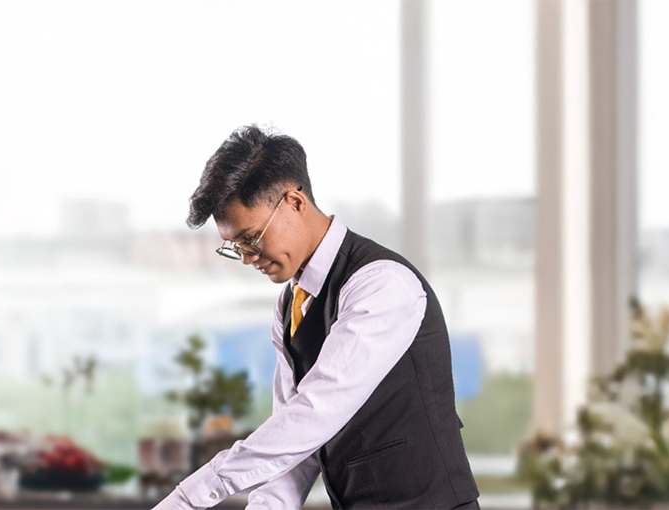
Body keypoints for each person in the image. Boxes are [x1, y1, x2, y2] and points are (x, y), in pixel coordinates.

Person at [151, 125, 478, 510]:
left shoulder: (381, 284)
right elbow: (294, 447)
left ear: (294, 202)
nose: (246, 258)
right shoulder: (289, 306)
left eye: (251, 238)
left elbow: (316, 412)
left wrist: (190, 498)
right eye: (235, 246)